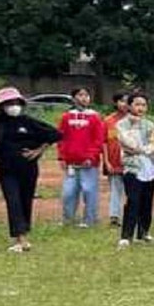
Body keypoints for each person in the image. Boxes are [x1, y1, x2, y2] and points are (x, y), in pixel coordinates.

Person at [0, 87, 60, 253]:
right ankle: (20, 238)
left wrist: (39, 151)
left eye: (15, 102)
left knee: (25, 200)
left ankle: (24, 233)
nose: (13, 106)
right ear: (1, 105)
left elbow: (55, 134)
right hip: (7, 169)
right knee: (13, 201)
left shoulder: (28, 121)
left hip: (28, 169)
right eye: (8, 103)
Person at [57, 86, 107, 227]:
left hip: (89, 163)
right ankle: (68, 219)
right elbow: (61, 138)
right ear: (74, 98)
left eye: (86, 95)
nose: (84, 98)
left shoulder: (95, 117)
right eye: (80, 95)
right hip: (71, 163)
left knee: (89, 191)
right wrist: (61, 157)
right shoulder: (66, 117)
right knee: (68, 192)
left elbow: (98, 139)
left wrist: (91, 156)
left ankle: (89, 219)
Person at [115, 94, 154, 246]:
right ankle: (126, 235)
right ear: (129, 106)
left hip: (150, 167)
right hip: (132, 168)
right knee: (133, 201)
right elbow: (128, 142)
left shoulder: (150, 124)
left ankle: (143, 232)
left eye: (143, 105)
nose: (140, 108)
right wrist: (140, 147)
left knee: (147, 201)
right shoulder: (122, 124)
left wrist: (141, 150)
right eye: (137, 104)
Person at [102, 93, 129, 226]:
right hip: (114, 162)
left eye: (127, 101)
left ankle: (131, 216)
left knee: (132, 190)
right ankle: (114, 217)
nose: (124, 104)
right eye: (121, 101)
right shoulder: (108, 121)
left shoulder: (135, 120)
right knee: (116, 189)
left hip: (131, 163)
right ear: (115, 103)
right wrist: (106, 162)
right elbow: (104, 142)